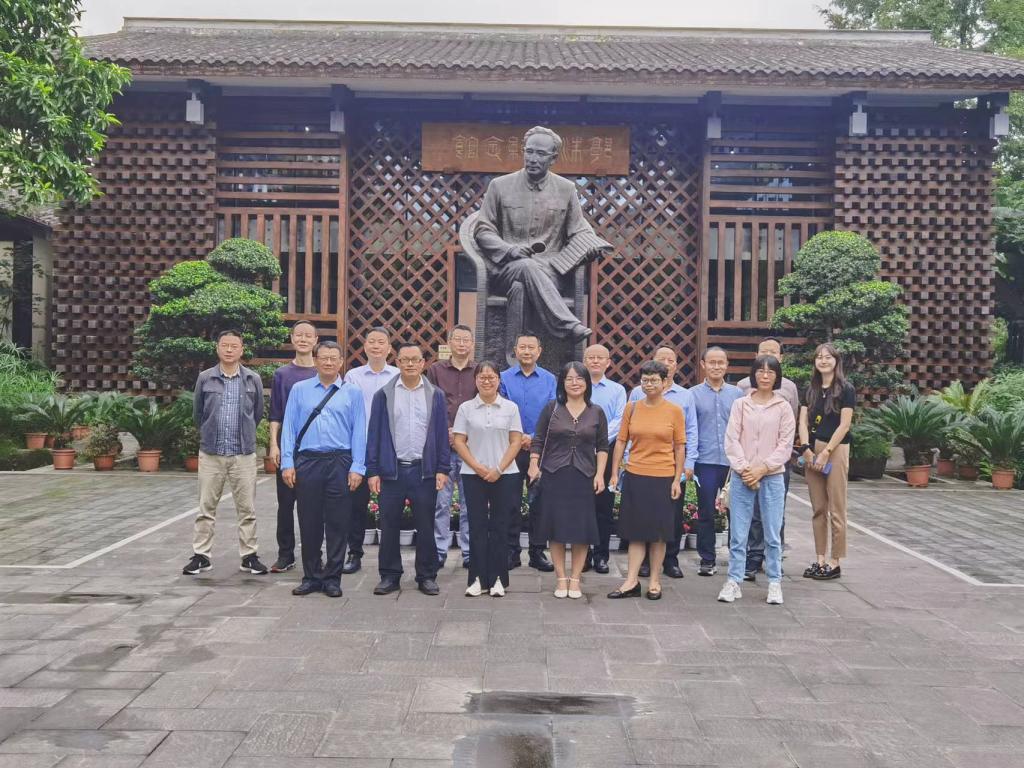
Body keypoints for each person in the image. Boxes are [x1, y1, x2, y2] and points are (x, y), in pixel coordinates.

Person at [471, 126, 610, 342]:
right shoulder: (499, 186)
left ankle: (516, 354)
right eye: (529, 151)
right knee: (526, 266)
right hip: (507, 269)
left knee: (520, 288)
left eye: (541, 154)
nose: (533, 158)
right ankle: (567, 325)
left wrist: (589, 247)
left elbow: (579, 231)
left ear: (553, 158)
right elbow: (482, 230)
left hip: (551, 273)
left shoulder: (566, 189)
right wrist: (510, 250)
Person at [280, 341, 366, 598]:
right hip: (308, 461)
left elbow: (359, 431)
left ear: (341, 362)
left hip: (340, 461)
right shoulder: (300, 389)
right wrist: (287, 462)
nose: (328, 362)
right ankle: (311, 576)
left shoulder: (353, 392)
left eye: (333, 358)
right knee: (309, 521)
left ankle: (332, 578)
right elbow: (289, 427)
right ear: (315, 361)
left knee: (338, 523)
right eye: (323, 358)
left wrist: (357, 467)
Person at [366, 342, 451, 596]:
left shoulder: (435, 395)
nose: (410, 364)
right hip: (392, 471)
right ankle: (389, 575)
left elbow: (441, 435)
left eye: (415, 359)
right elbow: (374, 434)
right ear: (398, 362)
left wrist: (442, 468)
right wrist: (373, 470)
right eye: (405, 359)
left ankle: (426, 575)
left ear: (423, 363)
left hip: (423, 471)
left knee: (425, 525)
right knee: (389, 524)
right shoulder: (384, 394)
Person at [183, 329, 267, 576]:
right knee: (205, 508)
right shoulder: (205, 378)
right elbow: (198, 414)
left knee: (247, 509)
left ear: (242, 350)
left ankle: (249, 556)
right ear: (217, 348)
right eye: (225, 345)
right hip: (212, 453)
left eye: (234, 346)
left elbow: (257, 413)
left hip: (243, 454)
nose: (229, 350)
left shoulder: (252, 379)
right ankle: (201, 556)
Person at [719, 355, 796, 606]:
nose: (765, 375)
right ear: (753, 374)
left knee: (772, 533)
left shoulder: (783, 407)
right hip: (742, 476)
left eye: (770, 372)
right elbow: (732, 439)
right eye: (760, 371)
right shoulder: (741, 404)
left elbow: (785, 445)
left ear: (777, 376)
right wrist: (745, 469)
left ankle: (774, 582)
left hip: (772, 477)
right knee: (738, 533)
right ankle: (734, 580)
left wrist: (762, 469)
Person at [528, 362, 609, 599]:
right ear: (562, 383)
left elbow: (603, 446)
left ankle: (575, 579)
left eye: (579, 378)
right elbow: (538, 439)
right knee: (556, 529)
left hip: (584, 476)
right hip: (554, 475)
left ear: (587, 382)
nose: (575, 383)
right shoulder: (552, 408)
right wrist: (533, 464)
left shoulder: (596, 411)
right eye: (569, 379)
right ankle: (561, 578)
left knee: (581, 530)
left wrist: (600, 474)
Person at [607, 361, 686, 601]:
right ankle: (631, 581)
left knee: (659, 533)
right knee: (636, 531)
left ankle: (654, 580)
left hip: (663, 477)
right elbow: (621, 441)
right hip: (635, 475)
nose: (649, 384)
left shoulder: (674, 411)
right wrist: (615, 472)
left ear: (664, 382)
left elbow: (679, 446)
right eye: (645, 380)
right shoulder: (632, 408)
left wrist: (677, 479)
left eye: (654, 380)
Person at [453, 361, 524, 598]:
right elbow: (459, 441)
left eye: (491, 377)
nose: (486, 381)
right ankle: (476, 578)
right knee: (477, 526)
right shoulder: (466, 408)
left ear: (498, 380)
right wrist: (477, 467)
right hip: (473, 474)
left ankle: (498, 579)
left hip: (505, 474)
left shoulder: (510, 408)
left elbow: (516, 441)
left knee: (500, 526)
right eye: (482, 377)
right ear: (475, 380)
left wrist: (499, 468)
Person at [627, 345, 698, 579]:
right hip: (640, 465)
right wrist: (627, 459)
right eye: (661, 359)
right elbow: (628, 432)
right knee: (643, 516)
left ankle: (670, 560)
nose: (666, 363)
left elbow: (690, 431)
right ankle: (645, 563)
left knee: (671, 517)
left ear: (675, 366)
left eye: (670, 360)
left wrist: (689, 463)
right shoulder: (637, 394)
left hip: (670, 467)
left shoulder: (685, 396)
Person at [736, 337, 800, 582]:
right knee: (753, 512)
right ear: (756, 356)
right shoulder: (743, 386)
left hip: (776, 464)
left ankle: (775, 558)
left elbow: (790, 426)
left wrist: (771, 463)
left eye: (774, 352)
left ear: (781, 357)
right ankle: (753, 557)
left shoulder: (789, 388)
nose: (769, 355)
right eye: (764, 351)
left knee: (776, 511)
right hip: (749, 464)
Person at [341, 326, 399, 574]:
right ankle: (354, 553)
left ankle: (390, 557)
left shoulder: (397, 375)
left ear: (389, 348)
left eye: (381, 342)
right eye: (372, 341)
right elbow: (347, 411)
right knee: (355, 505)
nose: (376, 346)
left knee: (390, 505)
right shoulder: (353, 376)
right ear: (364, 346)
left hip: (390, 449)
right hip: (359, 448)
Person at [499, 333, 556, 572]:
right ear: (515, 350)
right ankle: (511, 552)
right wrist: (518, 437)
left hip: (540, 449)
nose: (527, 351)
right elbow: (500, 409)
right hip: (510, 448)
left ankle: (537, 551)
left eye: (531, 347)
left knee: (539, 503)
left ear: (539, 351)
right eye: (522, 347)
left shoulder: (550, 379)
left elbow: (553, 411)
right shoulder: (503, 377)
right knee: (510, 502)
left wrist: (532, 437)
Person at [799, 342, 855, 581]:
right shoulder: (810, 389)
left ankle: (835, 561)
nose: (823, 361)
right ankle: (820, 558)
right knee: (818, 508)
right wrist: (805, 448)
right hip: (812, 449)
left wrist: (826, 452)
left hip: (836, 449)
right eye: (819, 357)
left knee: (836, 508)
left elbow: (845, 425)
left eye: (828, 357)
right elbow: (802, 421)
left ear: (836, 361)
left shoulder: (846, 389)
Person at [267, 320, 319, 573]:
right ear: (292, 338)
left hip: (315, 449)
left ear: (315, 341)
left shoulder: (323, 372)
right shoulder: (282, 374)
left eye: (308, 335)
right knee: (286, 504)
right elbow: (275, 413)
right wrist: (273, 445)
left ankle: (314, 553)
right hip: (288, 447)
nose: (303, 339)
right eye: (299, 335)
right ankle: (285, 554)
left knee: (314, 505)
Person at [688, 347, 742, 577]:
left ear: (727, 365)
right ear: (703, 365)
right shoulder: (692, 394)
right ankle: (707, 559)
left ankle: (737, 558)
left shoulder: (738, 394)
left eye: (721, 362)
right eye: (712, 362)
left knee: (735, 512)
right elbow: (690, 429)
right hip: (705, 461)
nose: (716, 366)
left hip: (732, 463)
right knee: (706, 512)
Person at [426, 324, 476, 570]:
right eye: (458, 339)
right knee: (441, 503)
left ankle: (469, 552)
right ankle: (438, 551)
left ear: (472, 344)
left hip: (470, 448)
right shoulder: (435, 370)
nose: (462, 344)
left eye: (466, 340)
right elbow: (430, 404)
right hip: (442, 449)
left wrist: (463, 433)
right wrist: (445, 430)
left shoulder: (479, 371)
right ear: (450, 343)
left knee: (470, 504)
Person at [583, 344, 627, 574]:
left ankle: (601, 555)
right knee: (581, 506)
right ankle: (583, 554)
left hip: (607, 451)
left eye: (600, 358)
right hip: (579, 451)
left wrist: (598, 440)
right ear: (585, 361)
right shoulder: (577, 386)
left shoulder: (617, 390)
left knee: (604, 506)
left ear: (608, 362)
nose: (595, 361)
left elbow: (620, 420)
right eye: (591, 357)